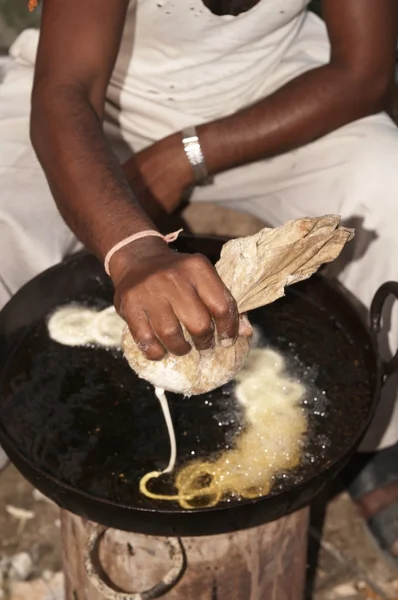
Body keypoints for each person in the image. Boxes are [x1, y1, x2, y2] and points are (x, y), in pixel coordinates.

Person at [0, 0, 398, 562]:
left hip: (273, 91)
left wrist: (185, 157)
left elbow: (364, 73)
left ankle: (380, 441)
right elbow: (67, 88)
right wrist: (132, 248)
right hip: (100, 104)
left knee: (390, 188)